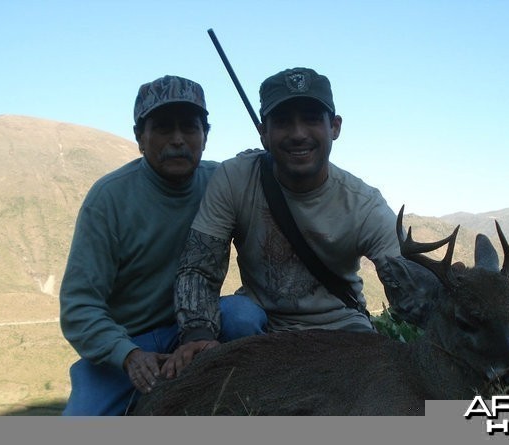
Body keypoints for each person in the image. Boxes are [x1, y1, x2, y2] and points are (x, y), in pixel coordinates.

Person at [164, 67, 403, 377]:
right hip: (263, 326)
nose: (298, 133)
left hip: (341, 328)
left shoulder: (364, 204)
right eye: (283, 122)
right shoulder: (234, 178)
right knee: (236, 316)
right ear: (263, 132)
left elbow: (406, 282)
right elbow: (199, 267)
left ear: (335, 127)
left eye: (311, 119)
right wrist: (197, 336)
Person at [59, 75, 265, 416]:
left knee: (242, 315)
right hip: (128, 341)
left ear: (205, 135)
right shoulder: (108, 198)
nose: (178, 140)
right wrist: (126, 354)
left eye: (189, 127)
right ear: (140, 137)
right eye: (163, 128)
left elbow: (268, 173)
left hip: (199, 325)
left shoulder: (222, 184)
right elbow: (79, 306)